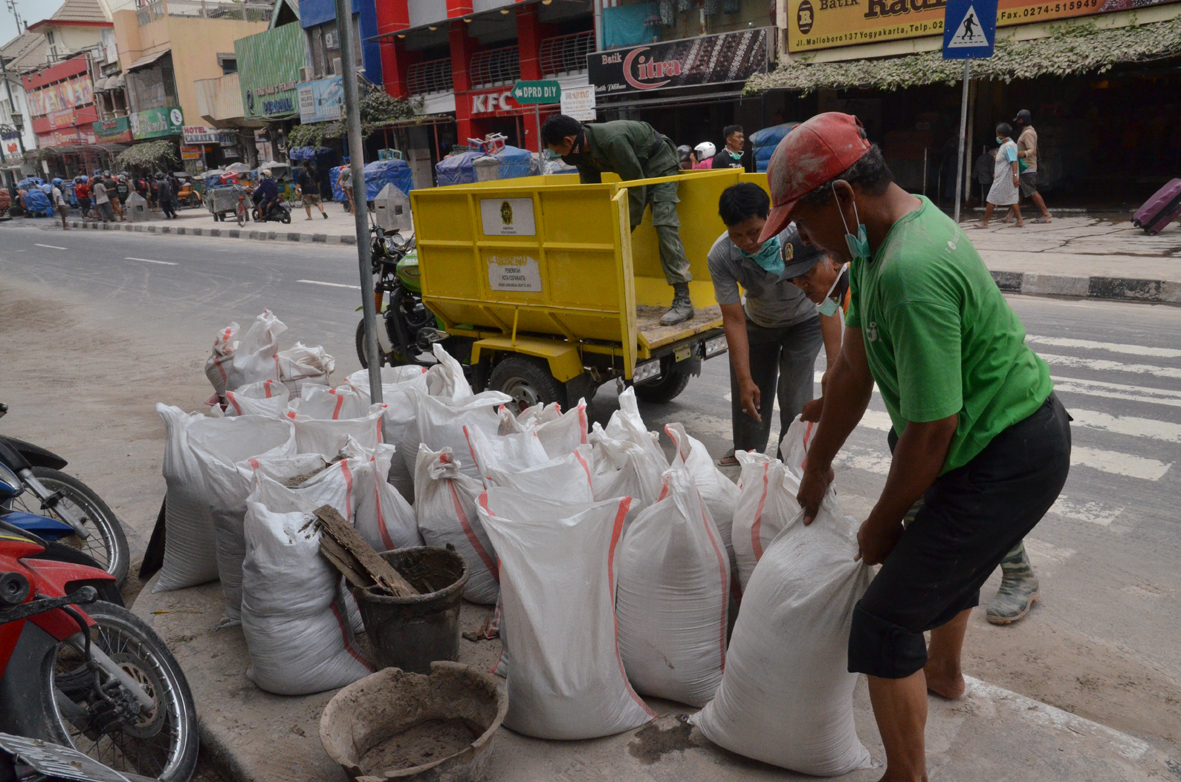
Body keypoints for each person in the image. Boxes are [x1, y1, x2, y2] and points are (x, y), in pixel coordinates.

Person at [765, 112, 1070, 782]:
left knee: (881, 622)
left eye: (799, 220)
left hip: (1006, 456)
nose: (800, 237)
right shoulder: (879, 245)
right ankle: (945, 674)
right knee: (930, 565)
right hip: (978, 449)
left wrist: (877, 523)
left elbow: (933, 430)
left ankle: (906, 777)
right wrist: (816, 465)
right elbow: (852, 370)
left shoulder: (909, 267)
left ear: (841, 198)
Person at [787, 223, 1044, 627]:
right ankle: (946, 613)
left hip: (960, 426)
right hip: (917, 424)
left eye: (807, 272)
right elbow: (851, 369)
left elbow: (868, 381)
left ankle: (1018, 575)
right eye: (795, 281)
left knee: (954, 523)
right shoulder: (852, 288)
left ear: (832, 259)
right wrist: (827, 407)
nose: (802, 284)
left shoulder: (885, 278)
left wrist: (879, 522)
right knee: (940, 521)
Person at [708, 182, 825, 465]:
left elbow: (829, 296)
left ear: (770, 216)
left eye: (754, 231)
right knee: (750, 393)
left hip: (805, 321)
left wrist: (835, 364)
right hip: (759, 322)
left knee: (795, 398)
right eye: (737, 235)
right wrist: (744, 378)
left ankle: (792, 460)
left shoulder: (798, 235)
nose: (747, 242)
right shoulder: (721, 255)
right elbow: (734, 319)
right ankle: (747, 454)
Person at [542, 114, 695, 326]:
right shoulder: (579, 154)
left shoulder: (611, 140)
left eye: (559, 151)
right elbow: (593, 194)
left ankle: (683, 301)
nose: (560, 156)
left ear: (569, 141)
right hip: (638, 170)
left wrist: (625, 227)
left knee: (664, 224)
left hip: (659, 162)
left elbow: (636, 184)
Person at [978, 123, 1022, 228]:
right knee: (1012, 198)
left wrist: (1015, 176)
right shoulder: (1009, 144)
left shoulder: (1008, 146)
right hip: (1005, 177)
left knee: (991, 198)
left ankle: (985, 222)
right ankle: (1020, 220)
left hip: (1004, 178)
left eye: (997, 133)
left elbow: (1013, 161)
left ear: (1000, 134)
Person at [1013, 109, 1052, 223]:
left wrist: (1024, 153)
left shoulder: (1028, 133)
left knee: (1031, 191)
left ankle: (1046, 213)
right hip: (1025, 167)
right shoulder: (1027, 131)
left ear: (1022, 121)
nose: (1018, 122)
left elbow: (1032, 149)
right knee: (1019, 192)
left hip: (1027, 167)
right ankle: (1010, 216)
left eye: (1019, 120)